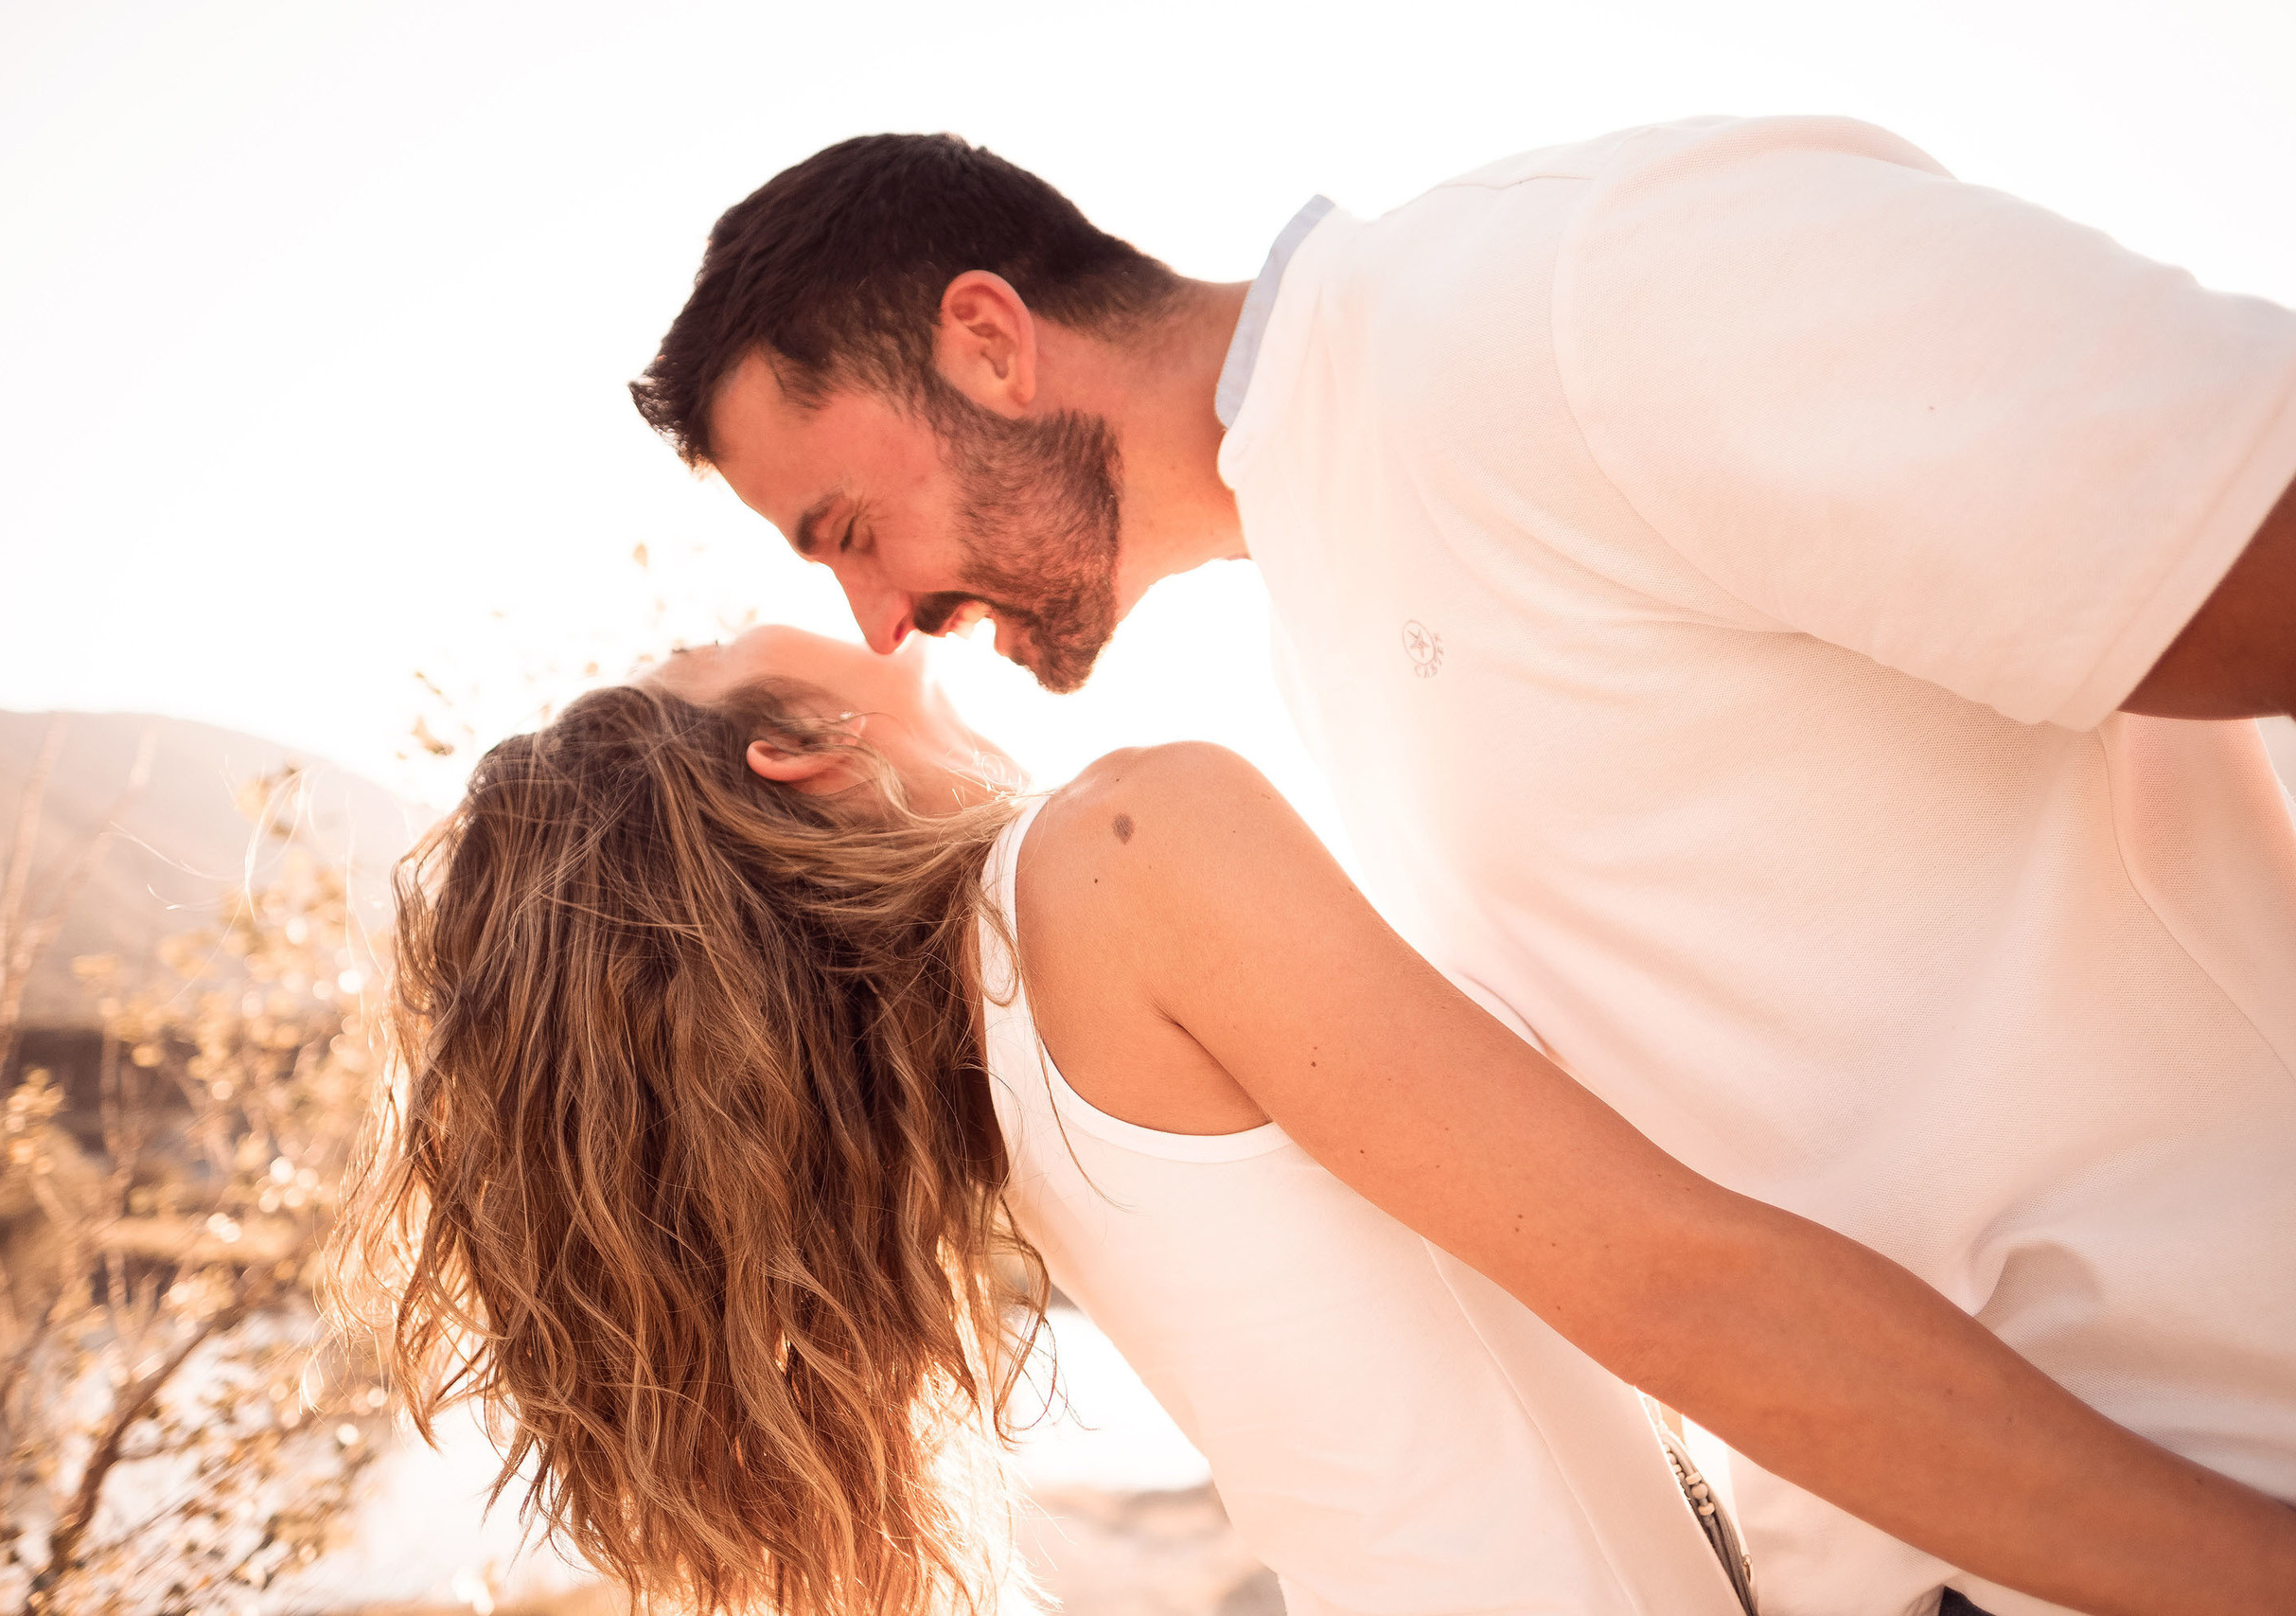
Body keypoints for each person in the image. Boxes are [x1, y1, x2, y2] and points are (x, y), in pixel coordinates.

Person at [629, 121, 2296, 1616]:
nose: (877, 618)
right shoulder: (1332, 643)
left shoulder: (1548, 304)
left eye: (850, 528)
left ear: (989, 344)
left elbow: (2254, 520)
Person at [342, 624, 2296, 1616]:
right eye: (735, 631)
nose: (886, 627)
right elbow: (1678, 1285)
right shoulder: (1114, 855)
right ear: (797, 743)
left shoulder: (1011, 1064)